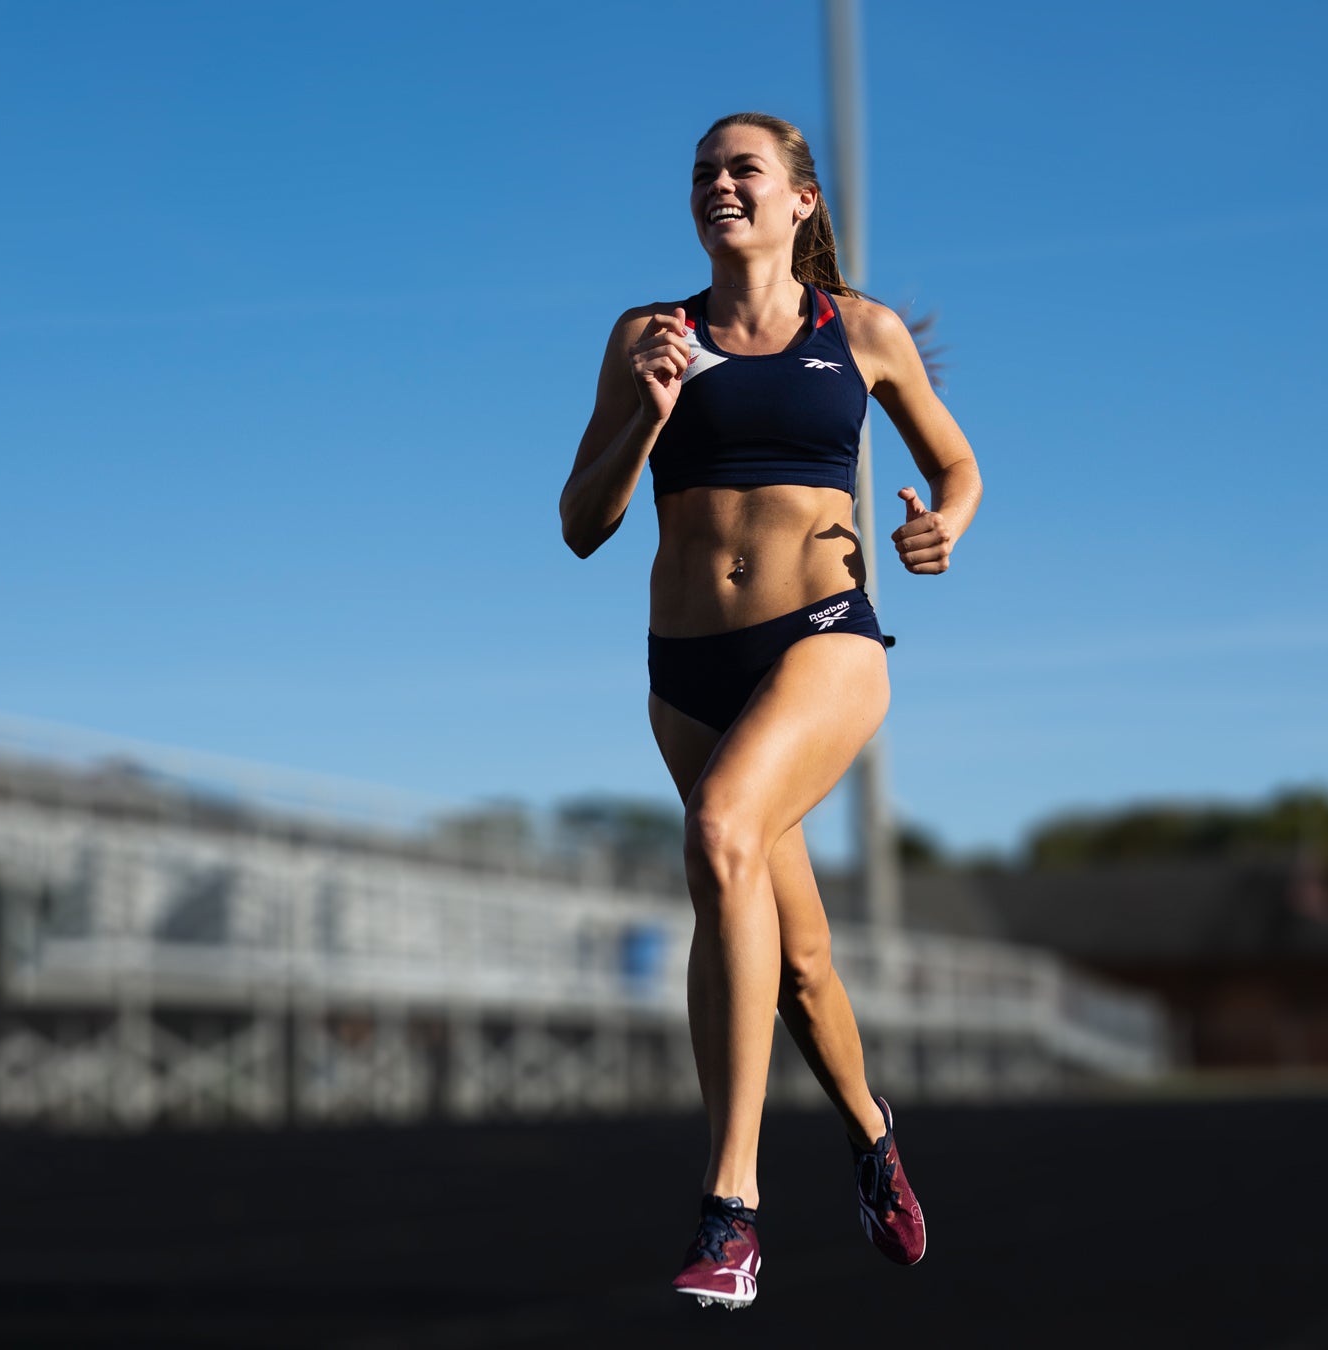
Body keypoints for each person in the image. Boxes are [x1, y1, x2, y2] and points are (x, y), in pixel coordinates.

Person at [558, 110, 981, 1309]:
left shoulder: (863, 332)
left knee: (720, 837)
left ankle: (730, 1210)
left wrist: (941, 525)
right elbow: (582, 525)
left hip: (823, 642)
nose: (718, 186)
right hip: (686, 673)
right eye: (702, 173)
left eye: (743, 169)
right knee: (795, 961)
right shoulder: (649, 335)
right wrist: (645, 414)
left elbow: (958, 467)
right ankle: (872, 1132)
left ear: (801, 200)